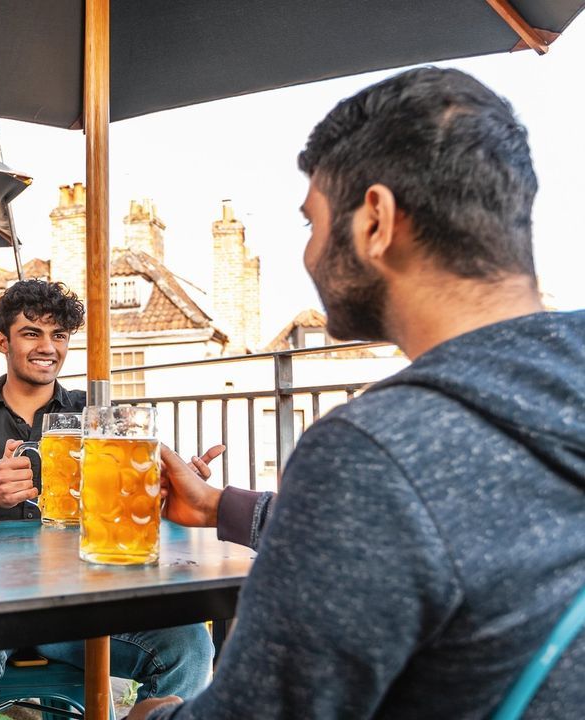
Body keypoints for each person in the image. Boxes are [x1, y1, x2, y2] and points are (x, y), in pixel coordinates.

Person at [128, 67, 585, 720]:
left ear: (376, 220)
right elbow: (445, 532)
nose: (310, 254)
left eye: (312, 223)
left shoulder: (374, 453)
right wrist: (217, 508)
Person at [0, 279, 259, 719]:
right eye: (32, 333)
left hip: (77, 605)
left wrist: (166, 488)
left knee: (189, 643)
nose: (49, 347)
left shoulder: (94, 411)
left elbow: (129, 492)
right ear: (2, 341)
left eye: (59, 335)